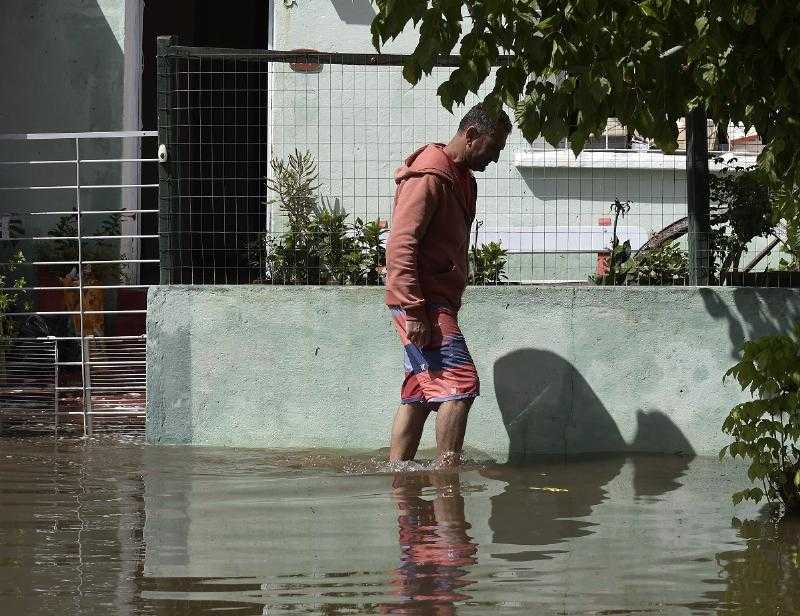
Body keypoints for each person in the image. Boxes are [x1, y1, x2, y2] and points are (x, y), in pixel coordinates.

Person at [385, 103, 512, 464]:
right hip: (422, 301)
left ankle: (399, 476)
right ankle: (447, 480)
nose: (496, 158)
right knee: (460, 386)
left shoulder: (462, 179)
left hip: (433, 299)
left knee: (420, 395)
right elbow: (401, 243)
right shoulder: (429, 176)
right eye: (494, 147)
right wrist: (413, 309)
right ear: (471, 136)